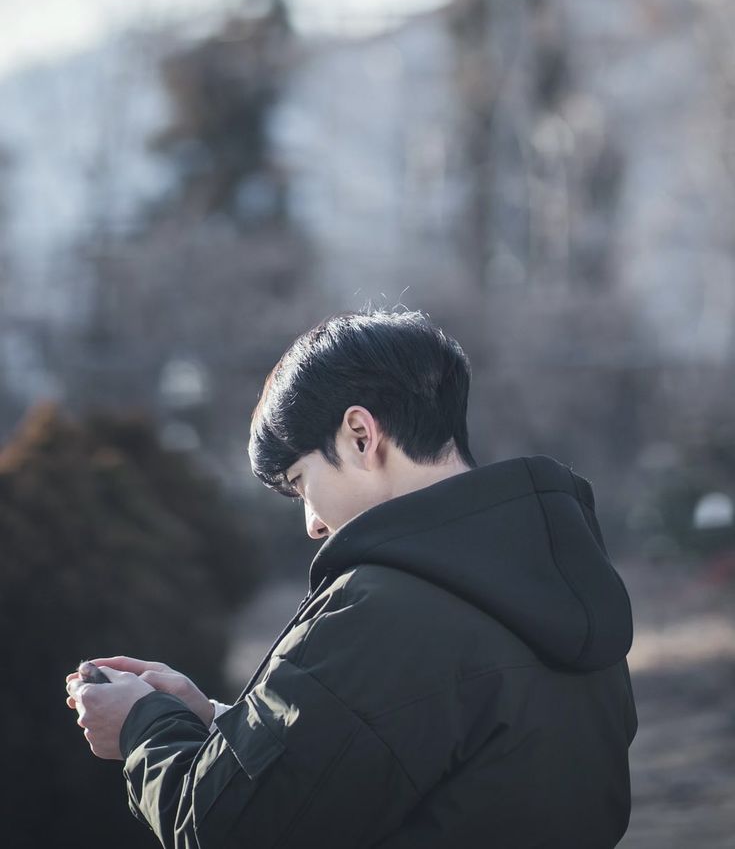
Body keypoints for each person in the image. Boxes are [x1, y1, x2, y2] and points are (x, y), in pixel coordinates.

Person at [66, 308, 638, 848]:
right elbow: (408, 760)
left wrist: (144, 726)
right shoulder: (560, 583)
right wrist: (217, 722)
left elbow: (222, 829)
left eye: (300, 481)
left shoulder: (381, 608)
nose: (313, 523)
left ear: (361, 436)